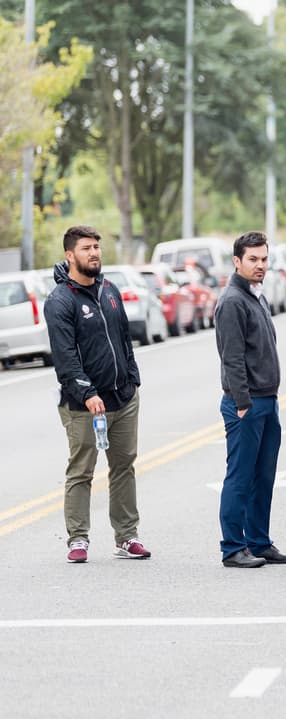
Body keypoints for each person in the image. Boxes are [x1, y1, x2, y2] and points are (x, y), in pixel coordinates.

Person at [45, 225, 149, 564]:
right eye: (86, 248)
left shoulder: (111, 290)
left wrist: (132, 379)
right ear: (70, 255)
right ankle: (77, 538)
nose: (94, 253)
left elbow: (123, 341)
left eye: (96, 248)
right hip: (83, 406)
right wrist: (87, 392)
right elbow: (65, 358)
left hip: (123, 398)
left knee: (123, 467)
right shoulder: (61, 301)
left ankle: (127, 536)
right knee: (81, 471)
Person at [214, 231, 286, 568]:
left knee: (263, 476)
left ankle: (259, 542)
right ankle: (233, 547)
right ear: (237, 262)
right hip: (246, 404)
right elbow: (231, 357)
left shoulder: (255, 296)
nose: (261, 265)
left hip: (267, 400)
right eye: (253, 259)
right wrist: (243, 402)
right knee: (240, 476)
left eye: (264, 258)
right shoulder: (232, 300)